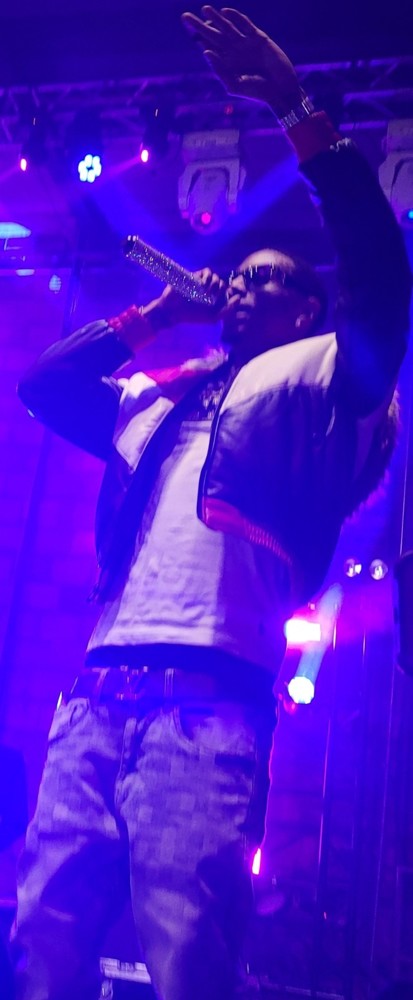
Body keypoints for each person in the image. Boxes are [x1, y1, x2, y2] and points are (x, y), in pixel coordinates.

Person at [13, 6, 411, 1000]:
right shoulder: (162, 397)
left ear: (304, 309)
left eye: (261, 281)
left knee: (187, 958)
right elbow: (46, 387)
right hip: (98, 689)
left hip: (207, 702)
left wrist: (296, 111)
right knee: (41, 942)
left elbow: (378, 283)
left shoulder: (322, 386)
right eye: (233, 279)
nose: (237, 287)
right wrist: (158, 312)